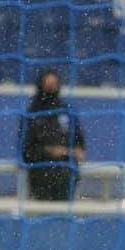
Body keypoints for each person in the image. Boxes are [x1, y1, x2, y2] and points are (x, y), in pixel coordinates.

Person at [18, 69, 86, 201]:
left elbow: (79, 142)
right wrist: (49, 152)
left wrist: (75, 151)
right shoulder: (32, 114)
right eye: (48, 84)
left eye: (54, 84)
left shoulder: (67, 111)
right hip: (41, 171)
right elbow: (27, 151)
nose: (51, 88)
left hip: (67, 170)